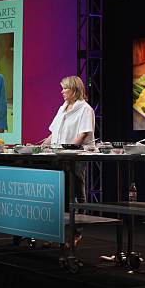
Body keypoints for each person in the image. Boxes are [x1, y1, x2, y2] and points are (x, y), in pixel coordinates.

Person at [42, 76, 96, 247]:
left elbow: (84, 134)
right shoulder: (62, 108)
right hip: (59, 156)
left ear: (74, 90)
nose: (62, 91)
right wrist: (41, 145)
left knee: (77, 195)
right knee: (59, 195)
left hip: (75, 158)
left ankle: (76, 233)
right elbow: (53, 133)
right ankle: (57, 234)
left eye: (65, 88)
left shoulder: (85, 109)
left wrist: (69, 149)